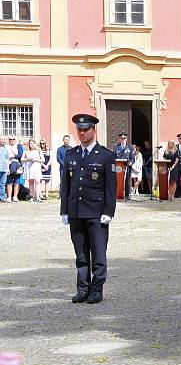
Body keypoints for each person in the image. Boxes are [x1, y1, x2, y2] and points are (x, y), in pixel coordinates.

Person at [60, 114, 116, 304]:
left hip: (96, 212)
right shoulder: (71, 154)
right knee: (81, 254)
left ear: (94, 130)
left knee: (98, 254)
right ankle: (83, 288)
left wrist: (109, 211)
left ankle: (96, 289)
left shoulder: (106, 155)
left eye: (86, 130)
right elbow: (65, 184)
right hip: (76, 211)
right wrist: (64, 210)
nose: (82, 133)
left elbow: (110, 187)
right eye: (79, 130)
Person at [113, 133, 135, 200]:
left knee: (126, 181)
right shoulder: (116, 147)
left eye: (124, 138)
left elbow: (133, 158)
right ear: (119, 139)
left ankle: (127, 195)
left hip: (127, 167)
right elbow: (113, 156)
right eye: (122, 138)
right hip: (118, 167)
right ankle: (117, 194)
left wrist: (131, 162)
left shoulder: (130, 147)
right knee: (117, 180)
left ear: (126, 139)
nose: (123, 139)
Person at [6, 136, 23, 202]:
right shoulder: (7, 147)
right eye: (10, 139)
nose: (12, 140)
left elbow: (20, 155)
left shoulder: (18, 146)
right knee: (9, 181)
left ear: (15, 140)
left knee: (16, 181)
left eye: (13, 139)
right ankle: (9, 197)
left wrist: (12, 156)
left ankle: (15, 196)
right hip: (9, 165)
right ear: (9, 140)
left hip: (16, 165)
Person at [0, 137, 8, 202]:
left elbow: (7, 159)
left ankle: (2, 197)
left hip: (4, 169)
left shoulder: (6, 148)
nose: (3, 141)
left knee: (3, 184)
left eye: (4, 139)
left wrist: (8, 168)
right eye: (2, 139)